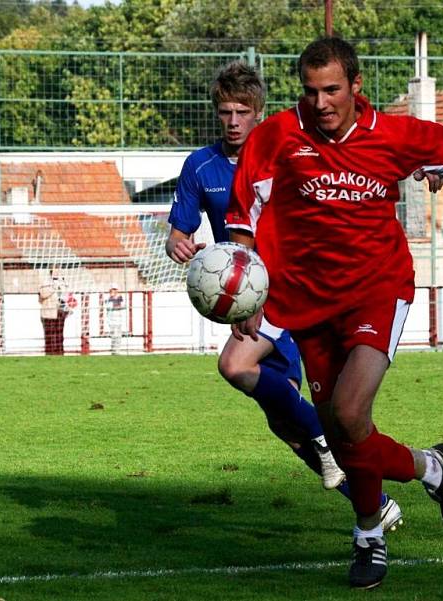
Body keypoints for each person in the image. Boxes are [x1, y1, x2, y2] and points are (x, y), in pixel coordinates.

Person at [226, 38, 443, 589]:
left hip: (377, 289)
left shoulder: (396, 136)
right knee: (340, 431)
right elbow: (242, 220)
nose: (320, 102)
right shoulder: (275, 137)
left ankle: (368, 535)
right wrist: (242, 291)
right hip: (305, 300)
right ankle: (433, 469)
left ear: (355, 86)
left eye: (331, 90)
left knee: (349, 414)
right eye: (310, 90)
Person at [166, 61, 404, 531]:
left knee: (235, 366)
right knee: (286, 425)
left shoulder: (285, 153)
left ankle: (326, 437)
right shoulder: (200, 166)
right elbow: (179, 231)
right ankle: (374, 502)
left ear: (258, 113)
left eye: (242, 112)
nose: (233, 121)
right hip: (247, 296)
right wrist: (176, 242)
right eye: (225, 112)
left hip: (292, 290)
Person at [38, 269, 69, 355]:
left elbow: (66, 295)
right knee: (50, 337)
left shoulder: (62, 281)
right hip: (48, 314)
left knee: (60, 336)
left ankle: (60, 354)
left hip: (60, 312)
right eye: (55, 269)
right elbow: (43, 294)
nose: (57, 271)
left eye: (58, 269)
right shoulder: (44, 281)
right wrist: (54, 287)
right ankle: (50, 355)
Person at [105, 283, 126, 355]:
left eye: (115, 289)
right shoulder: (108, 298)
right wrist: (116, 304)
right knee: (114, 335)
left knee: (119, 335)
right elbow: (110, 307)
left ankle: (117, 350)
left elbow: (123, 305)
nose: (113, 291)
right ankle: (114, 350)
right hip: (111, 320)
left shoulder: (120, 297)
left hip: (119, 319)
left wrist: (117, 305)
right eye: (112, 289)